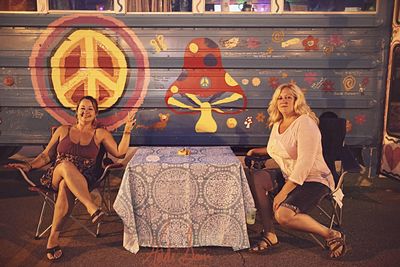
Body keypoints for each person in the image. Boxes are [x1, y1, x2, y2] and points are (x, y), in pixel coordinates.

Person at [6, 96, 136, 261]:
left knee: (65, 186)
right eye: (82, 108)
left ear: (96, 113)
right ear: (76, 111)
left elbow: (119, 153)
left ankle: (53, 238)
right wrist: (29, 165)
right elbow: (46, 156)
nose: (85, 112)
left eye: (90, 109)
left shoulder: (100, 134)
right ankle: (91, 206)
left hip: (83, 179)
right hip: (56, 173)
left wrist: (127, 131)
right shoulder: (63, 130)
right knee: (66, 166)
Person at [246, 83, 347, 258]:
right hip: (290, 176)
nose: (283, 101)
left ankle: (331, 234)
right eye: (280, 97)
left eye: (288, 97)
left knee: (283, 216)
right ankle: (270, 233)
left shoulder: (305, 123)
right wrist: (256, 151)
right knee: (256, 177)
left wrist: (282, 194)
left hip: (313, 180)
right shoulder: (278, 123)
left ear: (296, 100)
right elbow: (277, 148)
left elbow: (304, 164)